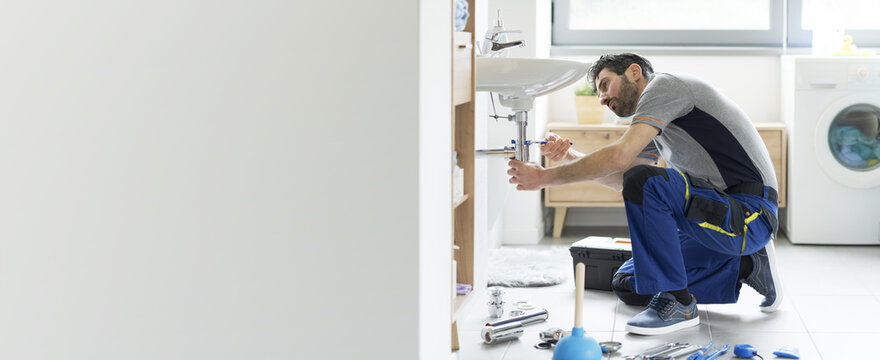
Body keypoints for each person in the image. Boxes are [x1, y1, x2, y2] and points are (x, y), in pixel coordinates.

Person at [507, 53, 782, 335]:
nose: (602, 99)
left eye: (605, 85)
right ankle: (747, 266)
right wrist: (567, 156)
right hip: (714, 216)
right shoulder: (658, 123)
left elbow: (623, 160)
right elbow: (625, 182)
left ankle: (679, 303)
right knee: (627, 282)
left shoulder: (665, 87)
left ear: (634, 72)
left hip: (750, 215)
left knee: (647, 182)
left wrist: (543, 178)